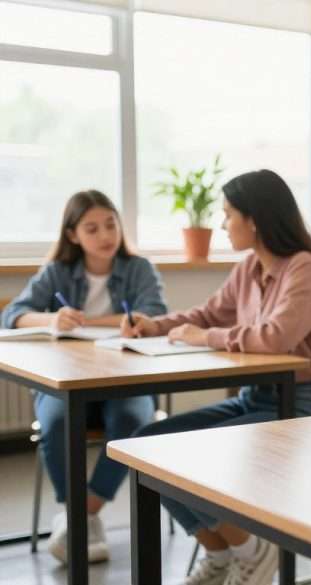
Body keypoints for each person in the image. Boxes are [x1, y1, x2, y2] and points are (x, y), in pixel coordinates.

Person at [125, 170, 311, 585]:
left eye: (227, 215)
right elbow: (207, 314)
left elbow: (275, 338)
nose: (222, 226)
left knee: (196, 458)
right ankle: (224, 552)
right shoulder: (249, 269)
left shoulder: (304, 267)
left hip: (301, 406)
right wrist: (156, 326)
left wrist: (205, 337)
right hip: (255, 398)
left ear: (254, 219)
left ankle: (251, 551)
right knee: (144, 448)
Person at [1, 190, 167, 564]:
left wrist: (91, 320)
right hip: (68, 382)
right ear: (73, 235)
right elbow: (13, 314)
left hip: (124, 382)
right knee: (57, 421)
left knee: (133, 422)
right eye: (92, 228)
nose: (106, 235)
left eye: (111, 224)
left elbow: (154, 313)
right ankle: (79, 517)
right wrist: (51, 319)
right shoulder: (57, 271)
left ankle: (80, 516)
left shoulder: (139, 268)